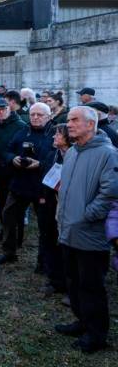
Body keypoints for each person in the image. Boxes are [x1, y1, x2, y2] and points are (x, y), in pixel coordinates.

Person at [54, 106, 117, 354]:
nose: (69, 124)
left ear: (91, 124)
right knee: (74, 281)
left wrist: (86, 216)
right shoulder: (71, 153)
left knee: (91, 286)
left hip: (90, 233)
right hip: (68, 229)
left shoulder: (108, 154)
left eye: (75, 120)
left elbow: (110, 194)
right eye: (68, 120)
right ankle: (82, 321)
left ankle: (97, 335)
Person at [0, 103, 54, 266]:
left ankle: (44, 261)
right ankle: (9, 252)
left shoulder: (55, 134)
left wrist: (40, 164)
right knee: (8, 216)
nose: (35, 117)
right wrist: (12, 159)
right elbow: (7, 151)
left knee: (45, 225)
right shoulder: (23, 131)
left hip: (43, 187)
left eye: (40, 115)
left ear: (49, 116)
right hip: (20, 183)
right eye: (33, 114)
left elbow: (60, 160)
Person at [38, 123, 71, 295]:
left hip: (67, 207)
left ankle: (69, 285)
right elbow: (44, 177)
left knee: (65, 246)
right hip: (50, 205)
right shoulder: (52, 155)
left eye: (58, 134)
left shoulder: (75, 157)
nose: (53, 137)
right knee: (49, 240)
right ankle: (55, 279)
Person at [0, 97, 27, 242]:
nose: (1, 112)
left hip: (15, 171)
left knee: (15, 208)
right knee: (3, 204)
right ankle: (4, 232)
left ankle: (17, 237)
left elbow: (23, 150)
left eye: (3, 109)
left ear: (9, 108)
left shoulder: (21, 125)